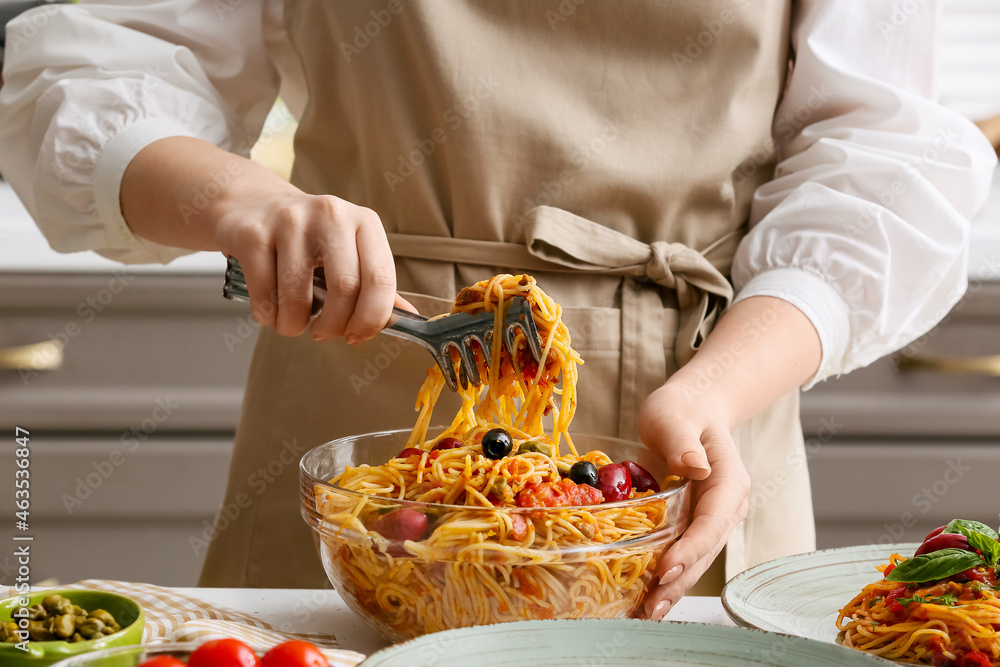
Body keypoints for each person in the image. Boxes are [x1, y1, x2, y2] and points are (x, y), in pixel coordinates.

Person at [0, 1, 994, 620]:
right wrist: (240, 201)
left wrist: (719, 390)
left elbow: (878, 157)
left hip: (711, 403)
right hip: (362, 414)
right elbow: (104, 64)